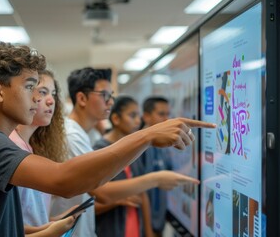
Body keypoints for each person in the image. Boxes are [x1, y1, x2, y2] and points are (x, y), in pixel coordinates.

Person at [0, 43, 215, 236]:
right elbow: (64, 180)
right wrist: (147, 135)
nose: (38, 98)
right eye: (30, 87)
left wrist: (32, 230)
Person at [50, 67, 210, 237]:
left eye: (111, 96)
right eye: (105, 95)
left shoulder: (82, 135)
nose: (111, 102)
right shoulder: (72, 136)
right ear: (82, 98)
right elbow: (101, 192)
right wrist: (156, 178)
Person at [9, 69, 72, 233]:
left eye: (53, 93)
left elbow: (30, 215)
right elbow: (7, 223)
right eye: (43, 92)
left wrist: (54, 222)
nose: (51, 101)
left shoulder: (30, 147)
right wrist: (46, 230)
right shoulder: (11, 145)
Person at [93, 95, 153, 237]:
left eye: (139, 115)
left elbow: (142, 194)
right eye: (132, 115)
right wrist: (119, 199)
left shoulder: (134, 149)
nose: (138, 121)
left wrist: (149, 233)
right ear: (115, 119)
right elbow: (90, 205)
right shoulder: (99, 151)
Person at [141, 96, 173, 236]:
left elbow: (169, 176)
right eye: (161, 114)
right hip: (144, 226)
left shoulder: (163, 144)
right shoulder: (138, 147)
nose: (166, 119)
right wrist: (148, 231)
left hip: (159, 222)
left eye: (168, 114)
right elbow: (139, 192)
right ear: (146, 116)